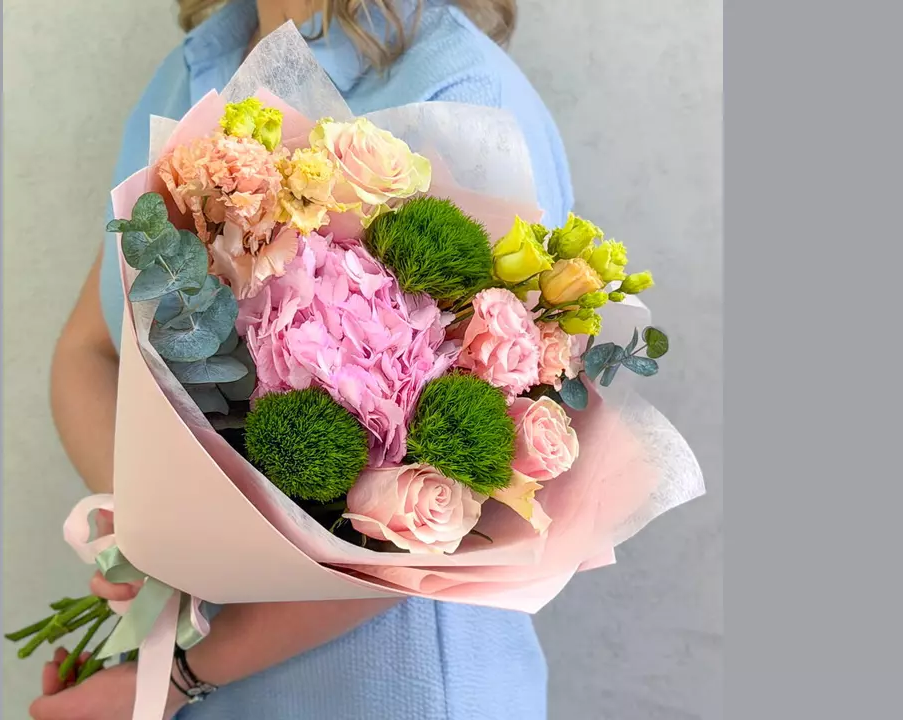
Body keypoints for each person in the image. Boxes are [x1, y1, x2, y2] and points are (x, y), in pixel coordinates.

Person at [36, 0, 573, 718]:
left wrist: (174, 679)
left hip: (381, 685)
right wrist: (153, 540)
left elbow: (458, 512)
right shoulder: (193, 68)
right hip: (187, 664)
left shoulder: (462, 93)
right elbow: (91, 349)